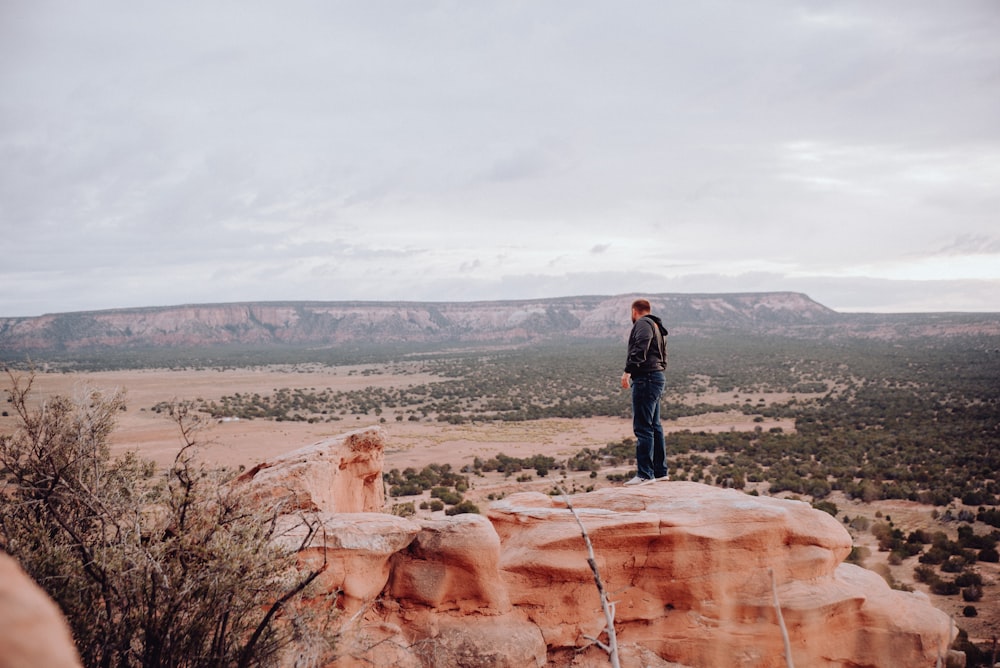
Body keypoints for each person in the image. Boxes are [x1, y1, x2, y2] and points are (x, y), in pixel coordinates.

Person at [620, 298, 668, 485]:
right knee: (654, 426)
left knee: (643, 427)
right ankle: (660, 471)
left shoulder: (642, 323)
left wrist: (628, 371)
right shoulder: (657, 325)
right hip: (656, 376)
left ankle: (645, 475)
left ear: (634, 311)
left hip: (646, 378)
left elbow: (641, 346)